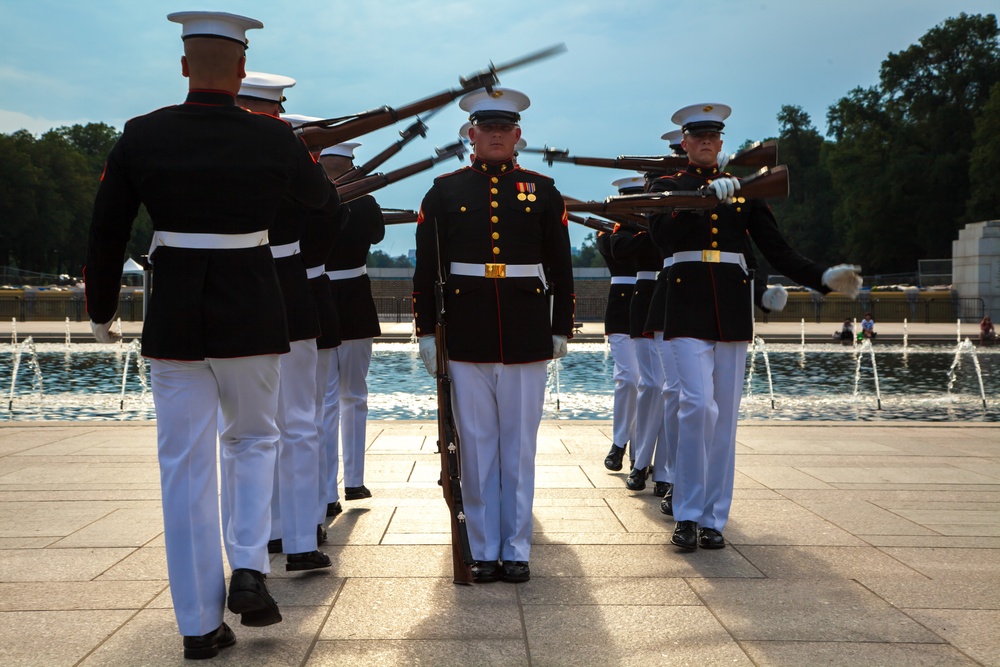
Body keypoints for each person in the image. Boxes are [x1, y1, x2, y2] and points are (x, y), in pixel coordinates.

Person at [84, 11, 331, 659]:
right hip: (251, 304)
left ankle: (198, 624)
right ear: (243, 70)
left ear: (185, 65)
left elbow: (106, 230)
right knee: (253, 439)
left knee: (183, 465)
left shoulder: (143, 135)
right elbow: (322, 203)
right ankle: (248, 563)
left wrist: (101, 310)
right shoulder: (275, 142)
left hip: (173, 315)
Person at [648, 102, 861, 551]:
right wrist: (705, 200)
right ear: (685, 143)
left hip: (730, 307)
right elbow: (662, 239)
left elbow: (776, 251)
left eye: (713, 137)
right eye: (697, 137)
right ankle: (685, 511)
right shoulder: (666, 185)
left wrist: (822, 278)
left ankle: (712, 518)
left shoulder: (748, 190)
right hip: (684, 305)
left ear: (721, 143)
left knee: (723, 418)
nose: (705, 143)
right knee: (697, 406)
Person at [413, 88, 574, 584]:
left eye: (506, 128)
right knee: (477, 445)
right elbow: (426, 268)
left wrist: (560, 325)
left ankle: (517, 547)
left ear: (519, 136)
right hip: (466, 328)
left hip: (526, 331)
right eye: (488, 127)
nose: (497, 134)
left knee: (518, 446)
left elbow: (561, 267)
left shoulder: (543, 190)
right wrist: (424, 331)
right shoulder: (444, 191)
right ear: (471, 134)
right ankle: (481, 547)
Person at [319, 142, 385, 506]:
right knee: (352, 396)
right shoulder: (365, 201)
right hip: (353, 299)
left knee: (329, 399)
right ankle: (353, 481)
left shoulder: (309, 195)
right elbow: (376, 234)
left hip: (322, 295)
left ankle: (329, 490)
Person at [595, 181, 638, 477]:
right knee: (629, 379)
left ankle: (642, 451)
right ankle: (620, 442)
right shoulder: (610, 234)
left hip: (653, 307)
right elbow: (619, 252)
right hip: (623, 312)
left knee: (654, 385)